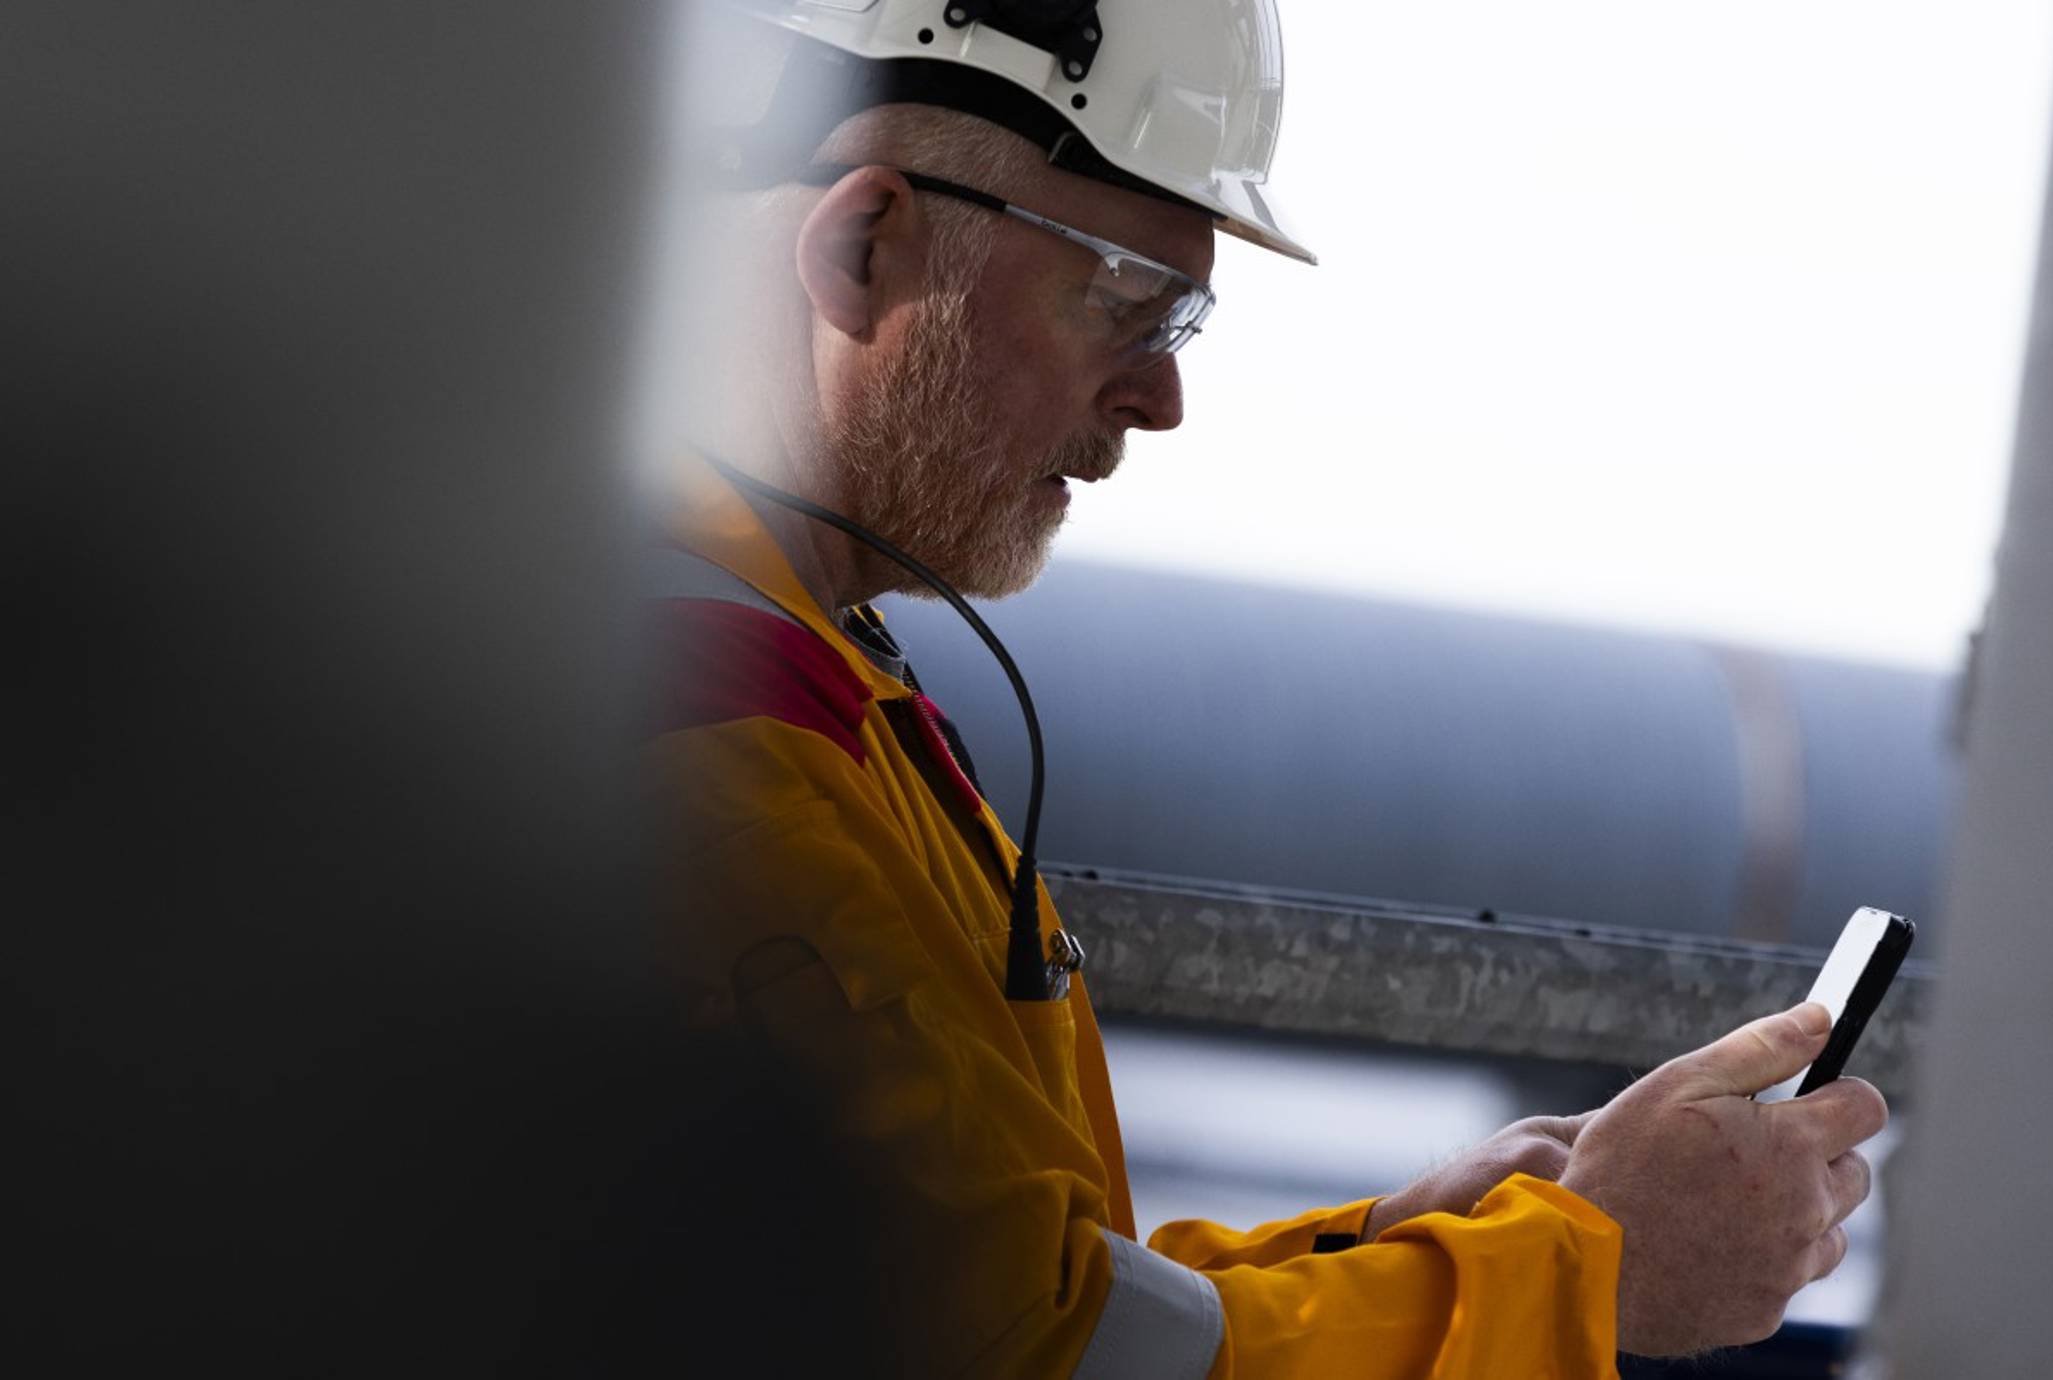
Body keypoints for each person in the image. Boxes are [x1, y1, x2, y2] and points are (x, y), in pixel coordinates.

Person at [646, 1, 1888, 1373]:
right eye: (1126, 299)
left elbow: (1031, 1295)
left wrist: (1400, 1243)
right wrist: (1582, 1275)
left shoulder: (814, 695)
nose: (1162, 397)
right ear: (862, 245)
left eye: (1185, 318)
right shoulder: (705, 735)